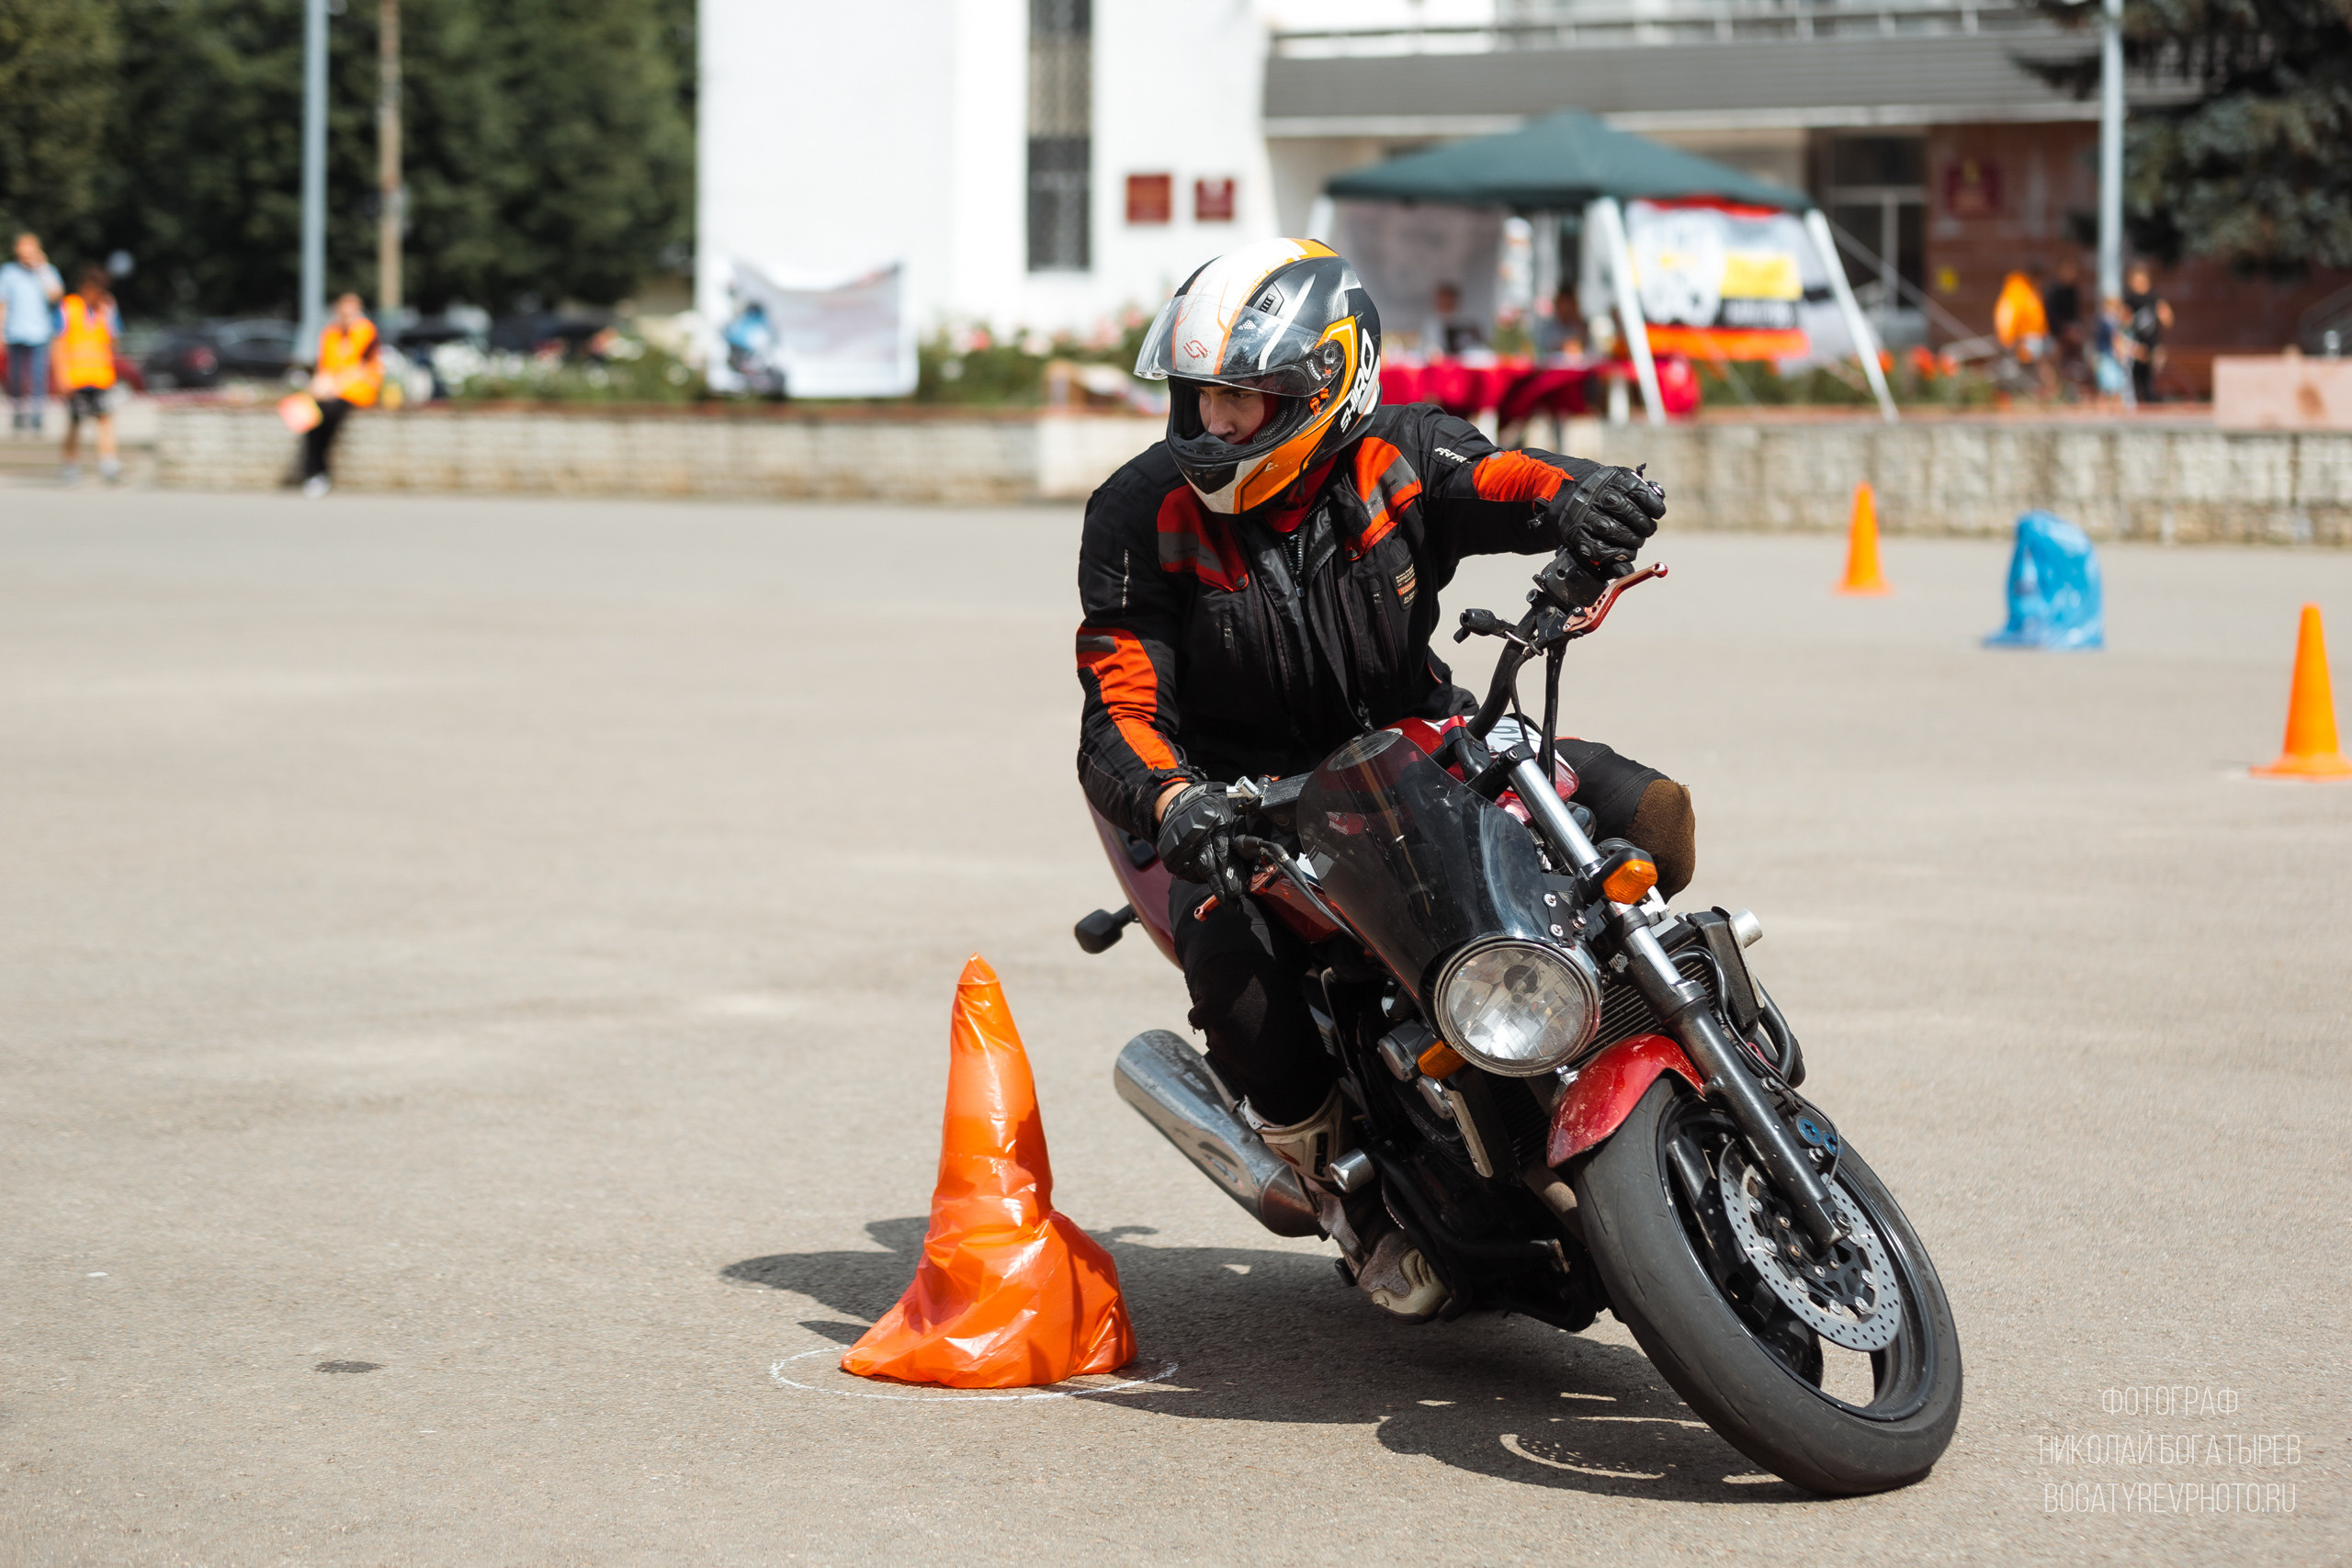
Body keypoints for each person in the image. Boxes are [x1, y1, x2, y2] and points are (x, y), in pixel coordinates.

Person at [1076, 238, 1686, 1321]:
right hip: (1240, 799)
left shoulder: (1396, 455)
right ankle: (1345, 1197)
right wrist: (1177, 802)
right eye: (1200, 397)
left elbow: (1502, 477)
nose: (1212, 425)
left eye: (1244, 400)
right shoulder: (1140, 512)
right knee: (1240, 986)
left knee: (1643, 809)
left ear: (1326, 383)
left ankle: (1670, 1007)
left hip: (1412, 742)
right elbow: (1120, 700)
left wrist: (1586, 499)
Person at [300, 292, 383, 496]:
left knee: (330, 413)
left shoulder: (366, 331)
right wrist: (318, 386)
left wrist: (334, 385)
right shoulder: (330, 332)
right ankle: (313, 472)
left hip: (356, 389)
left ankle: (320, 470)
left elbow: (362, 367)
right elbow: (325, 366)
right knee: (312, 417)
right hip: (331, 388)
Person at [56, 265, 122, 485]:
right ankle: (70, 465)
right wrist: (61, 375)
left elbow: (114, 342)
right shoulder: (69, 306)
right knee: (75, 423)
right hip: (76, 377)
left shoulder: (107, 309)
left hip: (100, 376)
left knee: (105, 419)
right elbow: (58, 342)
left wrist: (109, 314)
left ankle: (108, 463)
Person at [1, 232, 65, 434]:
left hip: (39, 332)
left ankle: (37, 415)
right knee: (15, 377)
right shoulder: (9, 272)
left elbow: (56, 295)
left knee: (39, 377)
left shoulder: (47, 271)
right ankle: (18, 413)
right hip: (15, 331)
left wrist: (41, 268)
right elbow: (3, 304)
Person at [2122, 264, 2173, 406]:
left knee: (2152, 375)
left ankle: (2152, 399)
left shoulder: (2153, 297)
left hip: (2153, 343)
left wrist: (2165, 316)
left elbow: (2166, 317)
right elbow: (2124, 320)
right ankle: (2140, 401)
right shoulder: (2130, 299)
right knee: (2137, 375)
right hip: (2137, 345)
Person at [2092, 295, 2135, 412]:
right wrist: (2120, 352)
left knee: (2115, 386)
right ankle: (2104, 409)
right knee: (2106, 387)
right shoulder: (2107, 321)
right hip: (2107, 357)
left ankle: (2115, 408)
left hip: (2109, 357)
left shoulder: (2109, 321)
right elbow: (2114, 338)